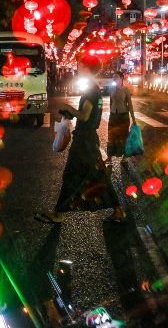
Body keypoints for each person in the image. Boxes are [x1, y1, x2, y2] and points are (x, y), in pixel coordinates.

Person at [35, 56, 122, 224]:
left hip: (84, 139)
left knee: (72, 174)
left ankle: (58, 213)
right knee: (96, 174)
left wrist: (68, 108)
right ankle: (118, 210)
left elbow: (84, 115)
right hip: (88, 137)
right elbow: (86, 115)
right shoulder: (94, 88)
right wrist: (70, 114)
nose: (78, 67)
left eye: (80, 65)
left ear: (86, 68)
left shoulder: (90, 90)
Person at [103, 71, 137, 222]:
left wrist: (134, 119)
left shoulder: (126, 90)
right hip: (113, 116)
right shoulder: (111, 90)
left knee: (122, 138)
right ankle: (109, 157)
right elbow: (110, 102)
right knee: (111, 136)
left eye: (117, 77)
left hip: (123, 117)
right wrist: (110, 112)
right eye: (113, 78)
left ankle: (124, 157)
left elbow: (130, 105)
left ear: (122, 78)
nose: (114, 80)